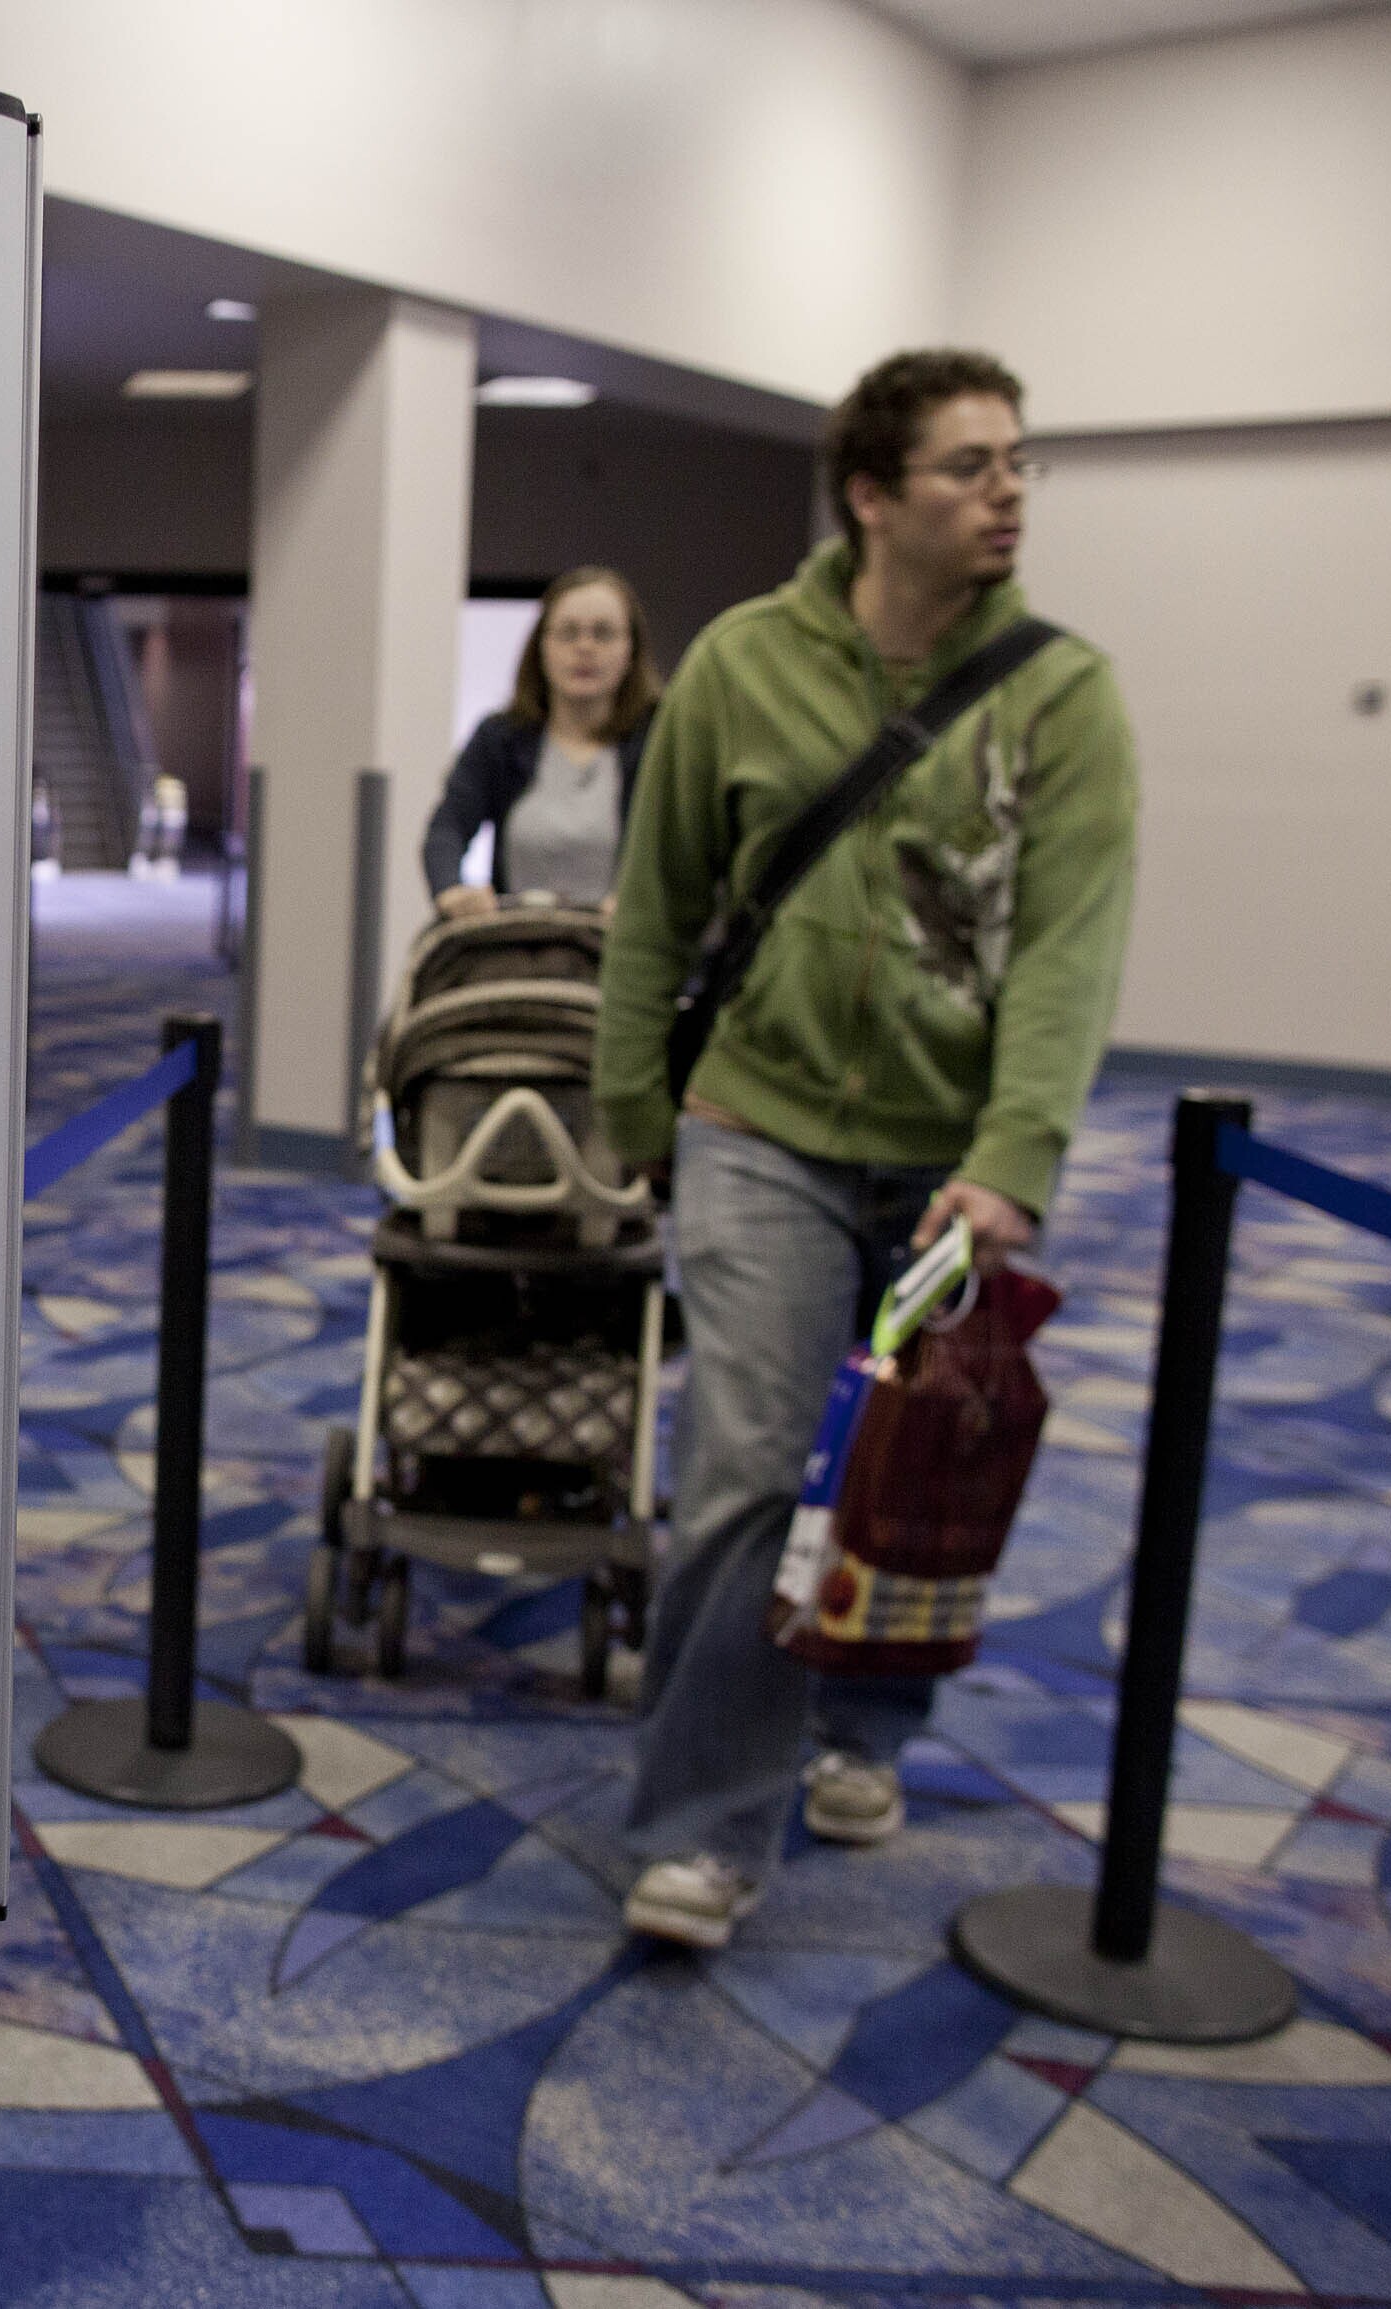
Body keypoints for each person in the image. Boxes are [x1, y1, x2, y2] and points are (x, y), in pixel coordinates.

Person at [591, 349, 1138, 1950]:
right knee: (754, 1473)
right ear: (873, 496)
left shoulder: (1065, 695)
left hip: (949, 1161)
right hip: (757, 1132)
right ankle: (705, 1826)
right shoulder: (746, 666)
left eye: (1019, 463)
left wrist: (1014, 1154)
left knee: (913, 1475)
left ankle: (866, 1733)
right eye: (972, 466)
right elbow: (659, 912)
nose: (1009, 492)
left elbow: (1068, 952)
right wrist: (642, 1115)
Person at [421, 565, 662, 915]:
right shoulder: (500, 739)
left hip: (621, 952)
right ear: (541, 648)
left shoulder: (658, 741)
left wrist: (645, 908)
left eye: (603, 634)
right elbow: (447, 828)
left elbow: (688, 851)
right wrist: (451, 892)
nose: (585, 647)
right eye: (568, 633)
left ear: (631, 651)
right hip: (518, 947)